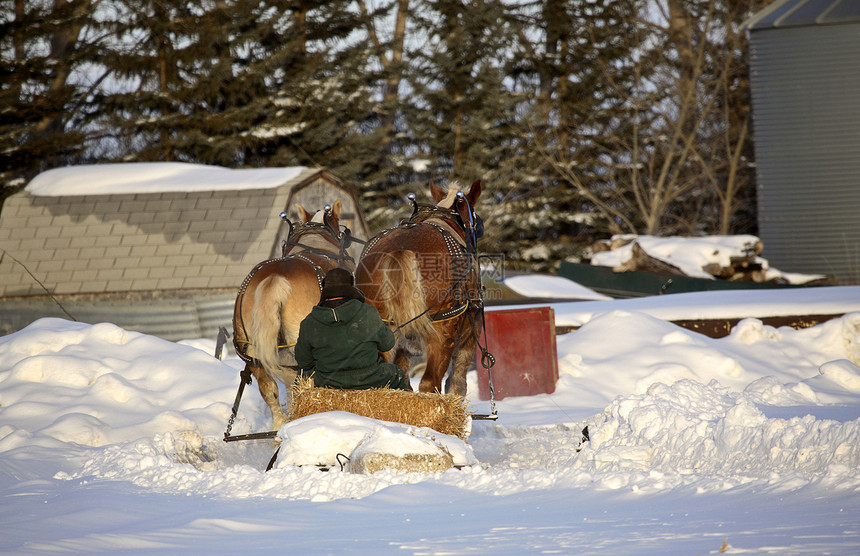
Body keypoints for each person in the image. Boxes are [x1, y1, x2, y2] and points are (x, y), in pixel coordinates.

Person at [295, 267, 411, 391]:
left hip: (326, 381)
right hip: (371, 378)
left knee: (300, 377)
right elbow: (387, 344)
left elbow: (304, 361)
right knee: (397, 373)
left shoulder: (309, 322)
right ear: (351, 287)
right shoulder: (368, 312)